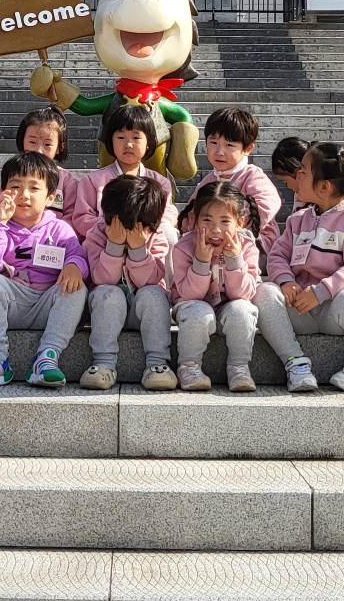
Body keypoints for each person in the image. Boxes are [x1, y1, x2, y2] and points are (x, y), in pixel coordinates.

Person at [262, 143, 344, 393]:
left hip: (334, 310)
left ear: (324, 186)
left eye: (304, 172)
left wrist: (321, 292)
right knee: (264, 292)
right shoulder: (297, 221)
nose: (298, 176)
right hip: (299, 308)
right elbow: (277, 255)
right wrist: (286, 281)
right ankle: (295, 362)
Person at [0, 152, 88, 390]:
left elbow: (78, 256)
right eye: (15, 187)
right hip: (12, 304)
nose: (23, 195)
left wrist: (74, 266)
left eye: (33, 188)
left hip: (47, 305)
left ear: (50, 197)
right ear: (2, 192)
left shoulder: (60, 229)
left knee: (77, 288)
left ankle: (47, 357)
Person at [82, 173, 176, 392]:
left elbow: (150, 280)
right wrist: (114, 245)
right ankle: (104, 363)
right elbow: (102, 278)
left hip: (140, 312)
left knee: (154, 294)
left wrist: (138, 248)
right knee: (108, 292)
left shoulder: (156, 236)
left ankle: (157, 364)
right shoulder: (97, 234)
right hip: (106, 312)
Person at [171, 180, 261, 393]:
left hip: (228, 308)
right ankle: (189, 366)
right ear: (195, 220)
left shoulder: (247, 246)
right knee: (198, 311)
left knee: (243, 310)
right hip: (191, 307)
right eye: (207, 220)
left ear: (240, 222)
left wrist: (235, 259)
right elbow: (189, 294)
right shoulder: (184, 247)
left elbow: (244, 293)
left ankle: (238, 367)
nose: (215, 229)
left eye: (225, 221)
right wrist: (201, 261)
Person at [71, 103, 178, 240]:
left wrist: (145, 229)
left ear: (149, 142)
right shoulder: (92, 181)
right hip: (106, 240)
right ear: (111, 141)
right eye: (121, 138)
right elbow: (82, 217)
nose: (128, 144)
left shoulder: (160, 182)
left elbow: (168, 214)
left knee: (169, 234)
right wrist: (112, 228)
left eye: (136, 138)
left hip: (147, 240)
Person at [180, 108, 280, 256]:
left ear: (247, 148)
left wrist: (231, 227)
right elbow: (191, 215)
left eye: (229, 145)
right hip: (212, 241)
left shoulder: (253, 177)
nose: (219, 152)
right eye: (213, 142)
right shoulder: (208, 181)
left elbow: (267, 206)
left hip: (251, 244)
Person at [0, 106, 78, 221]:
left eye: (47, 144)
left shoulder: (69, 182)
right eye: (32, 142)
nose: (39, 150)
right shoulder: (11, 177)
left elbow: (72, 219)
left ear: (59, 147)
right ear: (22, 140)